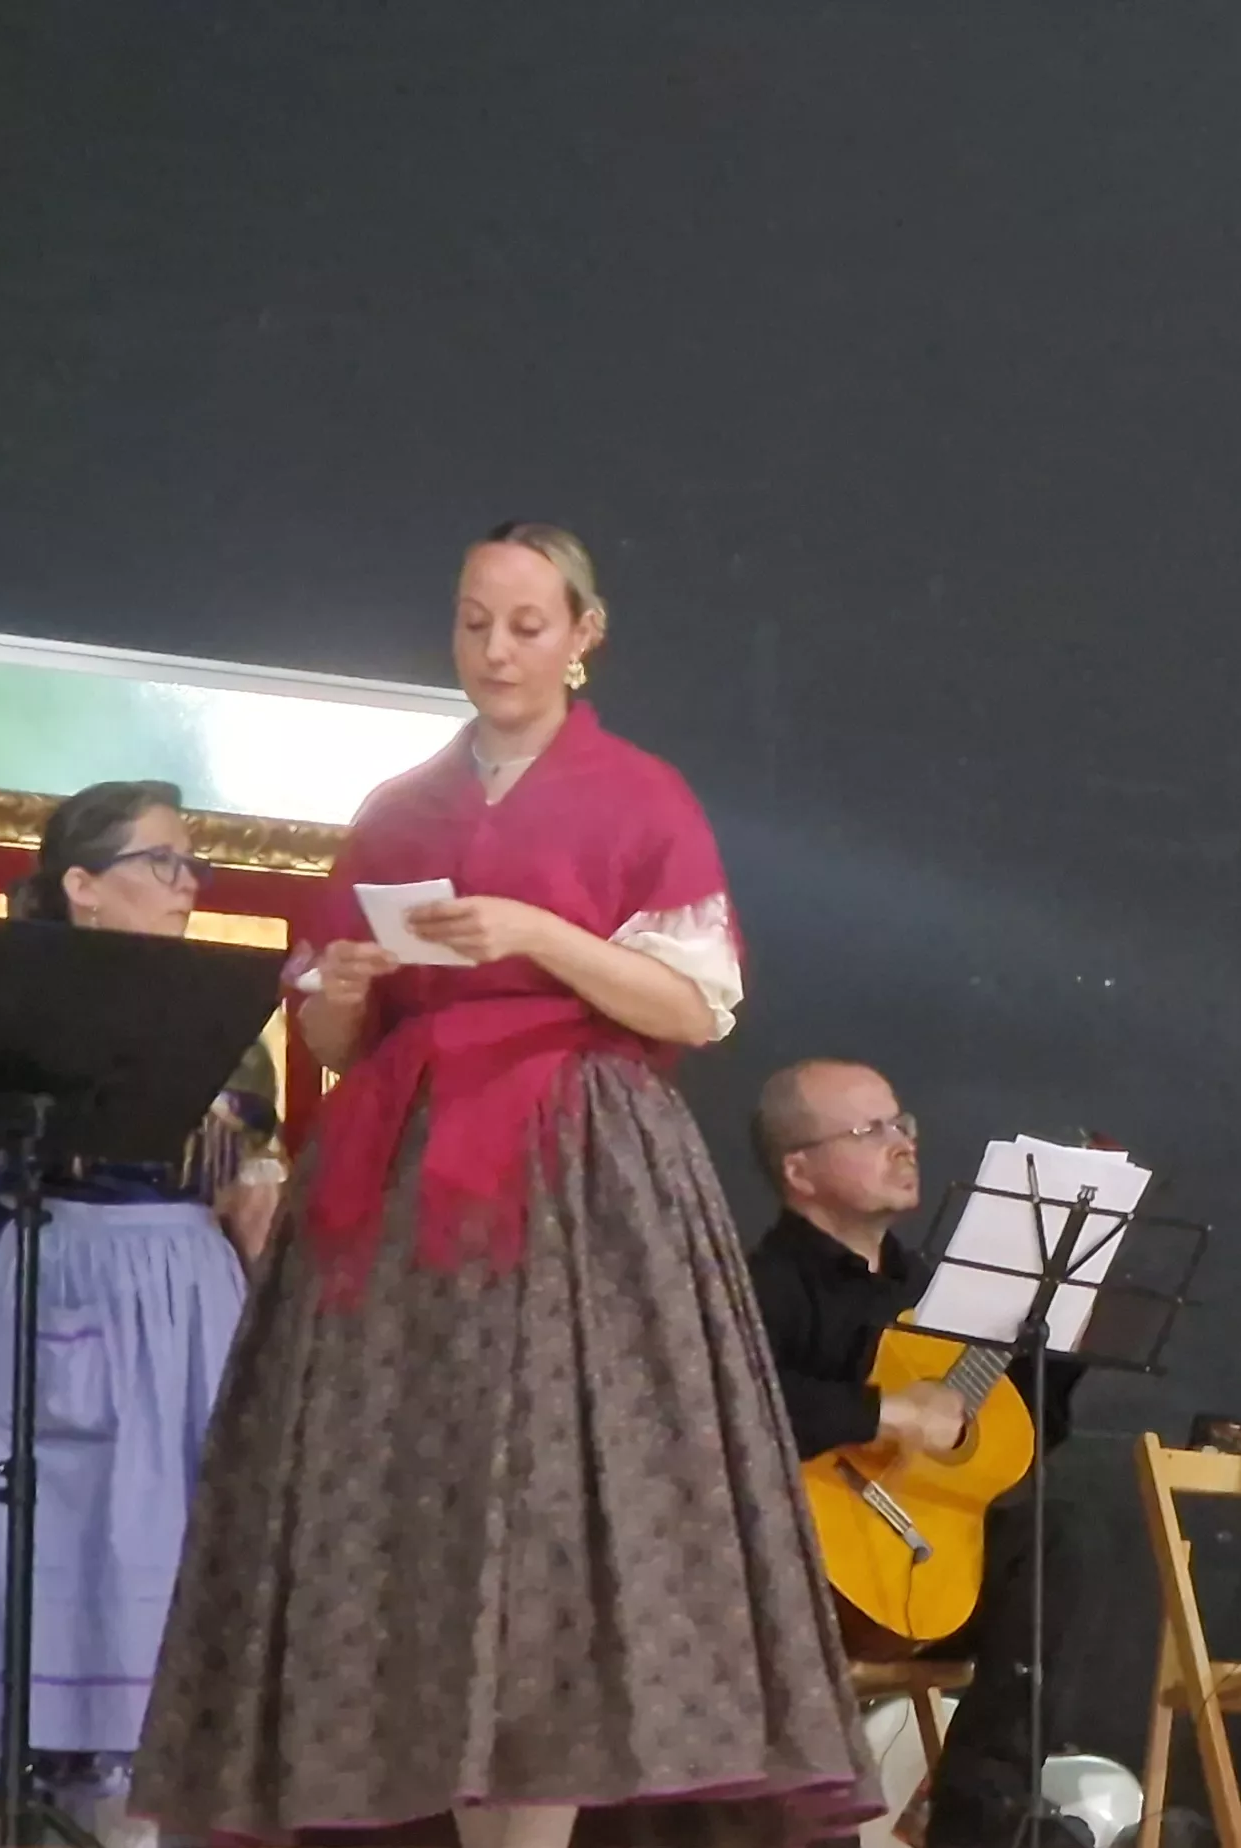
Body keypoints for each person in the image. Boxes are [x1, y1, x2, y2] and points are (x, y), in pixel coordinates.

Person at [134, 523, 865, 1848]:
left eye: (527, 623)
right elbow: (342, 1039)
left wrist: (540, 935)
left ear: (584, 635)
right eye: (476, 621)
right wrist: (343, 994)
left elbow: (697, 1006)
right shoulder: (398, 804)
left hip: (575, 1166)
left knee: (548, 1507)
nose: (496, 649)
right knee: (404, 1499)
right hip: (402, 1176)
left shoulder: (638, 795)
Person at [0, 782, 279, 1846]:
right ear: (82, 886)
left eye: (192, 866)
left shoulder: (221, 1021)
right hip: (35, 1291)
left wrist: (282, 1346)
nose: (187, 886)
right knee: (10, 1548)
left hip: (185, 1316)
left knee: (165, 1560)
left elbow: (251, 1198)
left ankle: (132, 1817)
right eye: (163, 863)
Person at [746, 1058, 1084, 1848]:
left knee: (1056, 1538)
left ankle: (977, 1808)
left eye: (904, 1125)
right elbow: (725, 1410)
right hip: (805, 1584)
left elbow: (1005, 1448)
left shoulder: (937, 1295)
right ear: (799, 1170)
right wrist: (882, 1411)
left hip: (927, 1568)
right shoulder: (760, 1284)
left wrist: (1056, 1352)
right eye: (871, 1131)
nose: (903, 1145)